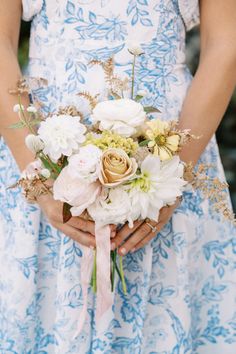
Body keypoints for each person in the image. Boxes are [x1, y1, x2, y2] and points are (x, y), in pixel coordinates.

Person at [0, 0, 235, 353]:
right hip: (44, 140)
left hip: (170, 142)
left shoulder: (173, 167)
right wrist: (39, 177)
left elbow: (226, 43)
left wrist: (171, 177)